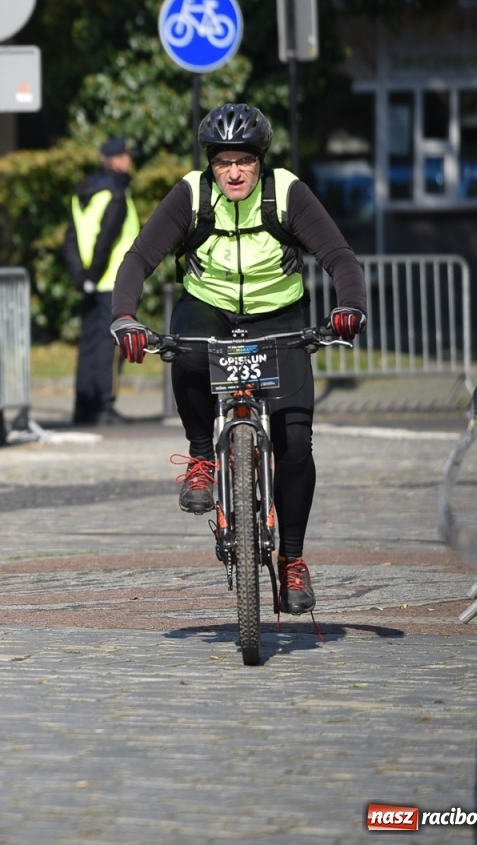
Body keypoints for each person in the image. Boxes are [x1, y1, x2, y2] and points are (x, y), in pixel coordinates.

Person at [107, 104, 367, 615]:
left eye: (244, 162)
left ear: (260, 162)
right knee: (183, 347)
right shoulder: (192, 193)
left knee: (295, 442)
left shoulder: (286, 192)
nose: (234, 173)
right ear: (210, 162)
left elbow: (339, 257)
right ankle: (203, 456)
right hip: (211, 310)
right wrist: (125, 318)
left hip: (279, 317)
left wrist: (349, 308)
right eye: (223, 161)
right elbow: (139, 257)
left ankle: (292, 561)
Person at [62, 137, 138, 425]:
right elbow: (105, 241)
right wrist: (94, 275)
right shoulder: (115, 194)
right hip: (113, 283)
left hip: (90, 282)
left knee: (90, 344)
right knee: (111, 346)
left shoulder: (83, 192)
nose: (130, 161)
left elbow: (70, 240)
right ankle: (105, 404)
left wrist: (80, 277)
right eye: (126, 156)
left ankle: (84, 405)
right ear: (116, 160)